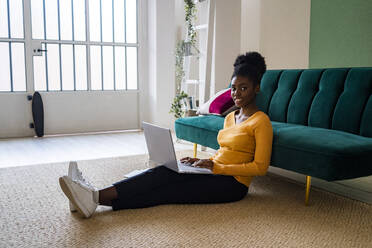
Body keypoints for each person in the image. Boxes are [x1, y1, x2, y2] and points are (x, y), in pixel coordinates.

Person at [59, 51, 273, 218]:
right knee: (167, 173)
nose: (236, 94)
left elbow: (260, 167)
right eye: (234, 88)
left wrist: (217, 167)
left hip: (233, 185)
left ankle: (93, 195)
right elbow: (225, 153)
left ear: (256, 88)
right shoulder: (230, 117)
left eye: (243, 88)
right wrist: (202, 161)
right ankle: (91, 198)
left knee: (167, 182)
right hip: (215, 172)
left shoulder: (261, 121)